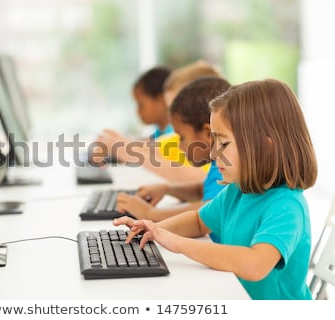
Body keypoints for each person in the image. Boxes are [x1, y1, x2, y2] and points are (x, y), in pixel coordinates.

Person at [114, 79, 318, 300]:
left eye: (224, 144)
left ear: (265, 147)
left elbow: (254, 264)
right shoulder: (237, 191)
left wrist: (177, 243)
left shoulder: (286, 207)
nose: (212, 154)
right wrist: (154, 230)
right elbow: (198, 221)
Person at [116, 77, 231, 224]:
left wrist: (151, 213)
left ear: (208, 134)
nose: (179, 145)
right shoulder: (218, 164)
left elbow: (209, 209)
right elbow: (202, 190)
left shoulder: (224, 166)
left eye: (182, 137)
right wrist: (168, 188)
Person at [94, 60, 223, 183]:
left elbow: (200, 180)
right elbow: (155, 148)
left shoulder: (221, 157)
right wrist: (118, 143)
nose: (172, 117)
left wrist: (122, 148)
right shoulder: (179, 139)